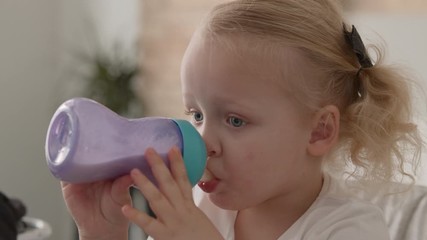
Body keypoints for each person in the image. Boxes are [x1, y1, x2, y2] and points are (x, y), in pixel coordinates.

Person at [61, 0, 423, 239]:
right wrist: (103, 232)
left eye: (235, 121)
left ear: (319, 130)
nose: (203, 141)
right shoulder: (205, 209)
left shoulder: (350, 229)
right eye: (197, 114)